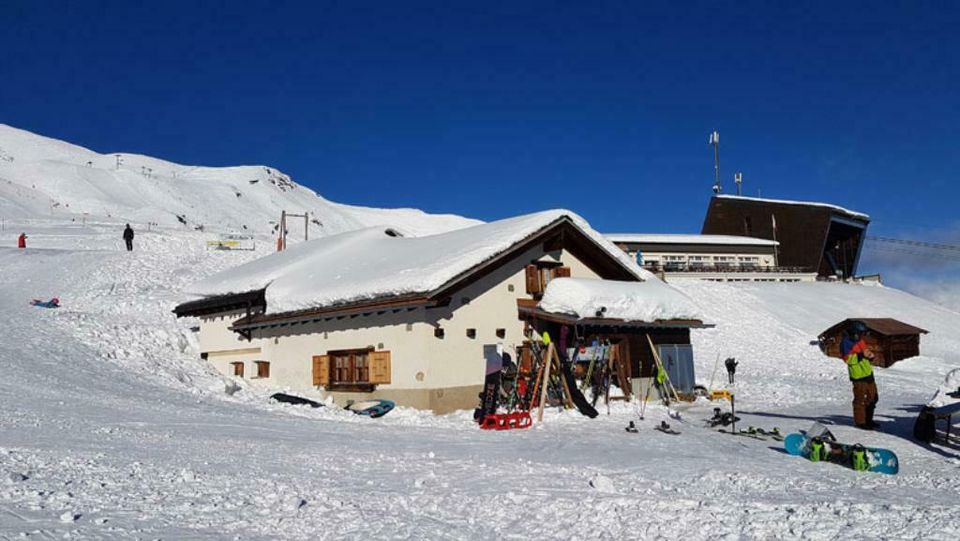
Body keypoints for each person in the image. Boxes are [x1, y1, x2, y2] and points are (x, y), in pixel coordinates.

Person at [840, 321, 879, 430]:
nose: (862, 336)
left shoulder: (860, 341)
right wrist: (861, 355)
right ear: (854, 332)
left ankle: (868, 419)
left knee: (873, 397)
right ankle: (860, 422)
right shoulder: (846, 342)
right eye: (860, 333)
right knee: (860, 399)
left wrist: (870, 356)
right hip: (858, 376)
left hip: (868, 372)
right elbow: (847, 359)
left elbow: (865, 351)